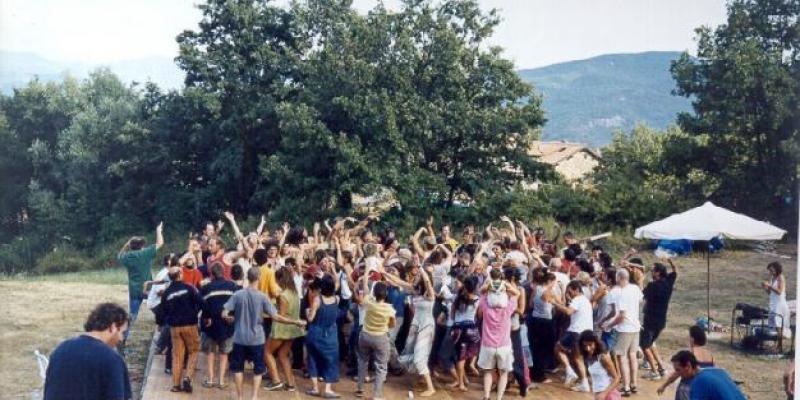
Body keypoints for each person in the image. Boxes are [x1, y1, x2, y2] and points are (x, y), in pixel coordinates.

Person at [223, 267, 306, 400]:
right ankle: (255, 396)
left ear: (247, 277)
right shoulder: (264, 297)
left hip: (239, 338)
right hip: (257, 339)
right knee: (259, 369)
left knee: (238, 369)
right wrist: (295, 322)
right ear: (259, 278)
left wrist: (230, 318)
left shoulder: (237, 294)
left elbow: (224, 313)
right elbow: (276, 316)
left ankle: (240, 397)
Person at [44, 303, 131, 400]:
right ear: (113, 327)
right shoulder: (112, 359)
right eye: (122, 332)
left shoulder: (60, 350)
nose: (121, 338)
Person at [391, 265, 437, 397]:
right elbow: (398, 281)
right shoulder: (415, 290)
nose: (415, 277)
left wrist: (421, 269)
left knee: (419, 356)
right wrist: (383, 272)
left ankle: (431, 388)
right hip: (416, 325)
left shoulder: (430, 293)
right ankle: (421, 378)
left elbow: (427, 282)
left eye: (417, 276)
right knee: (411, 351)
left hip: (426, 327)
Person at [476, 270, 521, 400]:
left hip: (487, 345)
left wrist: (489, 285)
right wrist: (506, 285)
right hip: (504, 346)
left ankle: (486, 397)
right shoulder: (508, 309)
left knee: (488, 372)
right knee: (504, 374)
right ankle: (499, 398)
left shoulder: (486, 307)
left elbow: (481, 292)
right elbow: (517, 294)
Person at [355, 264, 397, 400]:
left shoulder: (369, 301)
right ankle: (377, 395)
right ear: (386, 294)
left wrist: (367, 270)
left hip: (365, 335)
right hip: (380, 338)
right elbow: (392, 324)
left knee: (362, 361)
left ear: (374, 293)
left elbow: (365, 287)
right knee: (381, 367)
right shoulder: (389, 309)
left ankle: (360, 389)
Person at [117, 222, 163, 340]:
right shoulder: (145, 253)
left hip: (135, 290)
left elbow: (119, 255)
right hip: (148, 289)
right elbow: (160, 243)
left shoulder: (127, 257)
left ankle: (123, 338)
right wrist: (158, 230)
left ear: (131, 246)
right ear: (142, 246)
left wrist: (126, 245)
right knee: (160, 309)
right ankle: (164, 329)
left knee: (132, 315)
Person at [161, 266, 204, 393]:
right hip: (190, 325)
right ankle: (187, 378)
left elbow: (162, 312)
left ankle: (176, 385)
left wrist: (168, 320)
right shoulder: (189, 288)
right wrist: (196, 313)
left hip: (174, 328)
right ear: (180, 275)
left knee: (177, 355)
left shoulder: (166, 293)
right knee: (193, 351)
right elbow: (201, 302)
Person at [264, 265, 305, 391]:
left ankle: (276, 380)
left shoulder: (283, 295)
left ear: (280, 279)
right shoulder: (294, 293)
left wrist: (271, 309)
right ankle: (290, 383)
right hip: (292, 330)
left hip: (282, 329)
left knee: (267, 352)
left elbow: (280, 316)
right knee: (283, 355)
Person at [602, 268, 642, 396]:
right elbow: (640, 302)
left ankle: (626, 387)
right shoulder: (635, 288)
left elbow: (621, 316)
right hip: (635, 326)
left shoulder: (621, 293)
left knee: (621, 356)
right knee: (632, 355)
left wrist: (609, 324)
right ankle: (633, 384)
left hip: (624, 328)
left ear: (618, 278)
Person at [199, 263, 238, 389]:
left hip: (211, 325)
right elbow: (237, 304)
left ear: (211, 274)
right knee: (224, 353)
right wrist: (233, 316)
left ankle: (211, 379)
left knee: (210, 353)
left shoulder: (206, 288)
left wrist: (207, 317)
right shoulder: (232, 286)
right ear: (224, 271)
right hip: (227, 324)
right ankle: (221, 381)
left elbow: (202, 305)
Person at [550, 280, 594, 393]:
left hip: (576, 331)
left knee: (558, 348)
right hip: (586, 332)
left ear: (576, 290)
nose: (569, 294)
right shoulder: (585, 300)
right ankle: (584, 383)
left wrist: (554, 303)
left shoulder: (577, 300)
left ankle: (570, 372)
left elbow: (569, 312)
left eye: (570, 292)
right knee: (578, 358)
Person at [304, 274, 342, 398]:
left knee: (313, 359)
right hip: (330, 335)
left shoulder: (317, 300)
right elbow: (337, 284)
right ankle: (327, 389)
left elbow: (310, 318)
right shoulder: (337, 299)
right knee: (331, 360)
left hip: (315, 333)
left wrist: (307, 312)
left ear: (322, 287)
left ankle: (315, 388)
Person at [641, 259, 677, 380]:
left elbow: (642, 295)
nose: (651, 272)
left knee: (644, 345)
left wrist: (640, 281)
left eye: (652, 270)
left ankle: (654, 371)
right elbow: (675, 272)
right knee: (650, 343)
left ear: (658, 273)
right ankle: (661, 368)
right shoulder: (668, 282)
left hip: (650, 320)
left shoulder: (653, 286)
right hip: (661, 321)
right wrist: (670, 261)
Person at [657, 326, 715, 400]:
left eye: (689, 336)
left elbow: (676, 374)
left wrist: (664, 386)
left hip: (687, 388)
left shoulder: (689, 355)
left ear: (692, 339)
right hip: (703, 390)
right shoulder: (710, 355)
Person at [668, 350, 745, 400]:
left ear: (688, 366)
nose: (677, 374)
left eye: (678, 370)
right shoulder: (719, 370)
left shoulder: (698, 382)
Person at [450, 275, 482, 391]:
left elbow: (452, 315)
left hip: (458, 329)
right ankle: (472, 364)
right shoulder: (478, 299)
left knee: (460, 358)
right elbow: (479, 316)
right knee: (474, 349)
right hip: (471, 328)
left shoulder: (457, 298)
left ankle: (461, 383)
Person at [527, 271, 558, 383]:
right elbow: (559, 303)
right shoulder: (548, 292)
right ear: (549, 281)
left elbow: (531, 304)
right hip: (545, 322)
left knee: (535, 348)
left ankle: (533, 373)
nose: (554, 284)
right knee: (544, 349)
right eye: (554, 282)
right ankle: (540, 375)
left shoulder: (536, 289)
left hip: (535, 319)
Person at [576, 330, 621, 400]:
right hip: (597, 394)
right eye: (585, 345)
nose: (588, 348)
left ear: (596, 343)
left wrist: (604, 393)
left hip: (609, 395)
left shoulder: (603, 358)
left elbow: (616, 378)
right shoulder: (587, 357)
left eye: (590, 345)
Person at [763, 261, 791, 338]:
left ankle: (779, 343)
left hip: (779, 304)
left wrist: (769, 286)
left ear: (777, 269)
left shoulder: (780, 277)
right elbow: (770, 293)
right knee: (773, 326)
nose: (770, 272)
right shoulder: (772, 278)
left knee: (779, 325)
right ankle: (776, 342)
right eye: (769, 270)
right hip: (773, 304)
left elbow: (779, 292)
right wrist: (765, 287)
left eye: (771, 270)